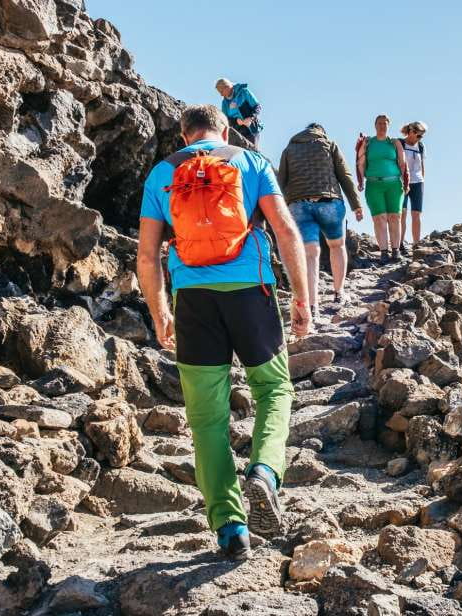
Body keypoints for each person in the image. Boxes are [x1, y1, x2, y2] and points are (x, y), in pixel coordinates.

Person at [136, 104, 311, 560]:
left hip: (192, 299)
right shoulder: (250, 162)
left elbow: (147, 256)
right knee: (274, 388)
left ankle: (230, 529)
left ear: (183, 135)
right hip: (251, 290)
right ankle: (266, 473)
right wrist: (302, 298)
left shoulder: (162, 173)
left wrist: (160, 314)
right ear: (224, 129)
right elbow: (286, 230)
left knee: (207, 418)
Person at [277, 123, 364, 316]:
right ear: (321, 132)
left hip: (299, 204)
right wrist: (356, 205)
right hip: (329, 202)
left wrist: (277, 210)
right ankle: (339, 292)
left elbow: (281, 180)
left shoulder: (289, 149)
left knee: (310, 253)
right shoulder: (329, 144)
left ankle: (312, 304)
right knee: (337, 246)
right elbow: (345, 175)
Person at [355, 114, 409, 263]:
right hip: (374, 184)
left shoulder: (394, 143)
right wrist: (360, 181)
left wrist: (406, 183)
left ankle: (396, 250)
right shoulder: (368, 143)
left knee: (395, 217)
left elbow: (403, 164)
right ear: (375, 125)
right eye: (379, 123)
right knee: (379, 218)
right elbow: (360, 162)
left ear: (388, 126)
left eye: (385, 124)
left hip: (393, 184)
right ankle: (384, 252)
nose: (382, 126)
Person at [398, 121, 428, 252]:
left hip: (417, 182)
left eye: (421, 136)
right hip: (402, 182)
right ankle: (399, 244)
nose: (418, 138)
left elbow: (422, 166)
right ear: (410, 131)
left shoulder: (421, 146)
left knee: (416, 214)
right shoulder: (400, 143)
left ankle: (416, 244)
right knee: (402, 213)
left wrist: (422, 180)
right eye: (417, 135)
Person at [216, 78, 263, 146]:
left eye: (221, 91)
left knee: (252, 151)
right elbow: (225, 120)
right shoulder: (224, 103)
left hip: (251, 129)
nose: (221, 95)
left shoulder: (244, 92)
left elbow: (257, 106)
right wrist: (236, 121)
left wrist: (251, 117)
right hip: (237, 133)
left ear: (227, 87)